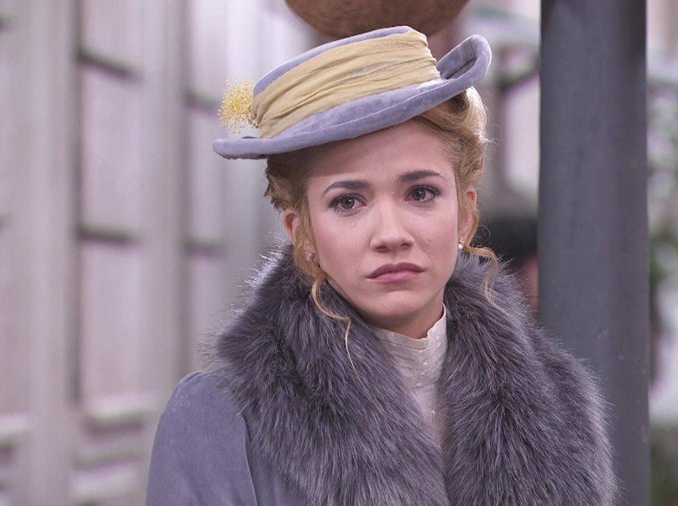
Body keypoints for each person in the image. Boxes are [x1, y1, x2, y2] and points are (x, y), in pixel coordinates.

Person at [147, 26, 615, 505]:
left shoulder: (558, 405)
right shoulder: (220, 418)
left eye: (421, 193)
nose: (391, 234)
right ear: (302, 234)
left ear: (465, 213)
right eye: (348, 202)